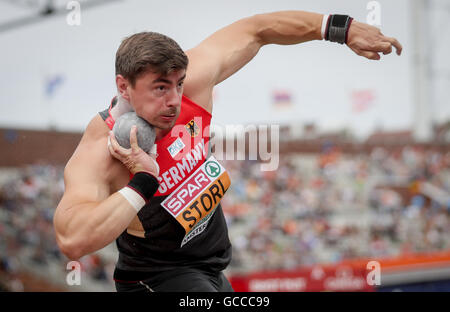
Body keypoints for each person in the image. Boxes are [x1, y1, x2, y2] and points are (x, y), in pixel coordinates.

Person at [53, 10, 402, 292]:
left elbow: (257, 30)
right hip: (155, 279)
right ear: (123, 86)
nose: (174, 100)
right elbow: (72, 239)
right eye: (159, 88)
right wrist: (143, 180)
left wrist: (341, 28)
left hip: (212, 269)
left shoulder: (192, 83)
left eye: (177, 84)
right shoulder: (104, 149)